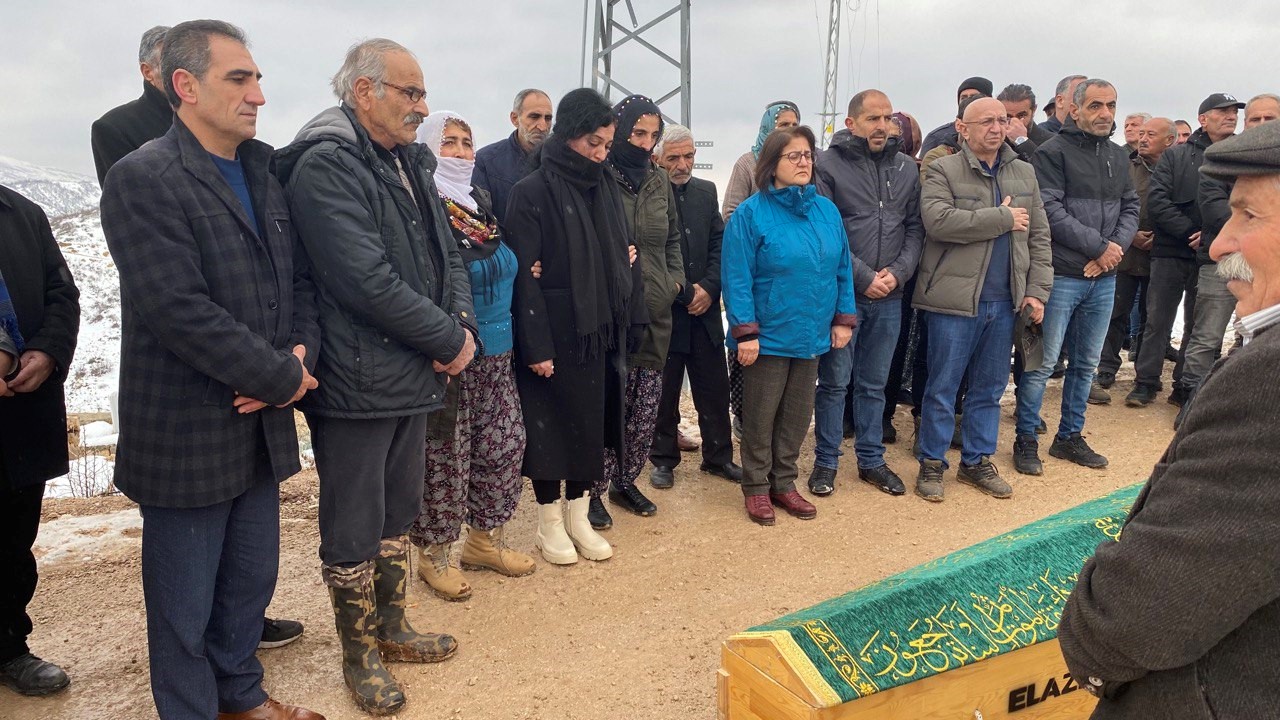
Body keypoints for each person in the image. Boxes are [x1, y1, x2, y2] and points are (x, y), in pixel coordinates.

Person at [98, 20, 324, 720]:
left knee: (249, 581)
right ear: (186, 86)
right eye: (239, 79)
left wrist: (298, 355)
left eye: (257, 79)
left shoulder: (264, 172)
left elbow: (301, 284)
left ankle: (240, 698)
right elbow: (178, 309)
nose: (258, 95)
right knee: (184, 600)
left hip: (259, 423)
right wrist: (280, 379)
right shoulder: (143, 178)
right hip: (189, 428)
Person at [274, 38, 475, 716]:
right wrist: (447, 339)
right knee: (353, 523)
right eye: (410, 92)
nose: (422, 106)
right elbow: (363, 279)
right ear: (365, 92)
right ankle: (358, 654)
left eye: (422, 93)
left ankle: (392, 627)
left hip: (413, 368)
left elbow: (448, 255)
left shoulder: (408, 160)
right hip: (358, 378)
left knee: (397, 510)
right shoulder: (326, 164)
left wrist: (461, 326)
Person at [1059, 119, 1280, 718]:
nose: (1221, 244)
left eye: (1248, 215)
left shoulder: (1269, 379)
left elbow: (1137, 617)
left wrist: (1090, 639)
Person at [505, 88, 647, 565]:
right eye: (592, 143)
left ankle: (579, 515)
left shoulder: (604, 186)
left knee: (590, 424)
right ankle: (548, 522)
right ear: (568, 135)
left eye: (606, 144)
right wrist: (536, 347)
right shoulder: (531, 191)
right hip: (555, 332)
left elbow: (626, 252)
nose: (601, 154)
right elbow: (523, 277)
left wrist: (630, 304)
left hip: (599, 330)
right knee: (549, 429)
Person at [407, 111, 534, 602]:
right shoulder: (423, 205)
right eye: (449, 143)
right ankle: (435, 555)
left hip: (499, 353)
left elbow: (502, 262)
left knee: (502, 447)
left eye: (466, 142)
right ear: (426, 148)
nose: (460, 152)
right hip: (454, 357)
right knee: (447, 457)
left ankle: (484, 542)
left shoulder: (478, 204)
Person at [911, 97, 1053, 502]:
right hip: (953, 302)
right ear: (963, 128)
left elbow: (1039, 236)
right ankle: (932, 463)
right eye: (986, 121)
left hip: (1006, 302)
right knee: (943, 387)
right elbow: (938, 222)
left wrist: (1037, 291)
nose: (996, 127)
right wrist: (1001, 218)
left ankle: (976, 461)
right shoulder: (943, 169)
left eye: (1002, 120)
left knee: (990, 388)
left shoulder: (1024, 171)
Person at [722, 125, 857, 525]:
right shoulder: (751, 213)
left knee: (797, 415)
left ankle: (783, 483)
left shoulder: (826, 211)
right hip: (768, 335)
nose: (803, 162)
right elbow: (737, 277)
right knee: (760, 416)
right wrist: (746, 331)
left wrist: (843, 318)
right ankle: (756, 487)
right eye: (793, 156)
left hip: (812, 332)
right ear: (771, 164)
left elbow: (842, 268)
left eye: (808, 155)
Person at [1014, 79, 1139, 476]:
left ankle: (1069, 436)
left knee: (1085, 365)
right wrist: (1099, 248)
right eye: (1096, 105)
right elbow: (1049, 211)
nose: (1105, 113)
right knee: (1041, 363)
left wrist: (1111, 252)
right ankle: (1026, 438)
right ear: (1075, 109)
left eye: (1111, 105)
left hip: (1103, 278)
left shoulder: (1118, 155)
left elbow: (1131, 207)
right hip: (1061, 276)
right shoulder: (1052, 152)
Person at [809, 89, 922, 497]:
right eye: (873, 118)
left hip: (889, 296)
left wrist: (898, 273)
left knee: (875, 384)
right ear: (851, 123)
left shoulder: (906, 168)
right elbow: (827, 231)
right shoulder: (827, 165)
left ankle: (871, 460)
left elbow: (915, 227)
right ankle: (825, 461)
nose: (882, 126)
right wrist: (862, 277)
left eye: (887, 118)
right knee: (835, 382)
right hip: (845, 295)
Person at [586, 94, 686, 528]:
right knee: (608, 404)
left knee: (644, 406)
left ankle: (625, 481)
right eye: (637, 133)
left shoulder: (659, 180)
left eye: (653, 135)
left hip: (656, 311)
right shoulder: (598, 176)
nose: (645, 143)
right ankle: (591, 491)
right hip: (612, 314)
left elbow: (671, 240)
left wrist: (674, 282)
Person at [0, 185, 79, 698]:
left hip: (19, 413)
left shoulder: (22, 214)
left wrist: (48, 351)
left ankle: (8, 647)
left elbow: (61, 294)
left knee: (11, 538)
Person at [1126, 93, 1241, 408]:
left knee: (1198, 325)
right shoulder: (1176, 156)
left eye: (1233, 112)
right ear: (1203, 118)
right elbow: (1158, 201)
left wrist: (1209, 236)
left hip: (1214, 254)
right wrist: (1191, 232)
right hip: (1171, 252)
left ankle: (1184, 385)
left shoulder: (1240, 155)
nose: (1231, 116)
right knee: (1157, 320)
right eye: (1223, 111)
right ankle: (1145, 382)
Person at [1176, 93, 1280, 427]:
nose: (1261, 125)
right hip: (1219, 269)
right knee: (1207, 335)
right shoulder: (1223, 162)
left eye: (1270, 119)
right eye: (1255, 119)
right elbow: (1211, 207)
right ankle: (1192, 403)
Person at [648, 124, 741, 489]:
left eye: (688, 156)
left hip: (705, 313)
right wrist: (685, 293)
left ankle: (718, 457)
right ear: (657, 159)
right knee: (665, 391)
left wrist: (710, 288)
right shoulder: (649, 195)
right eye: (674, 158)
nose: (682, 164)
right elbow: (652, 255)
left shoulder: (705, 191)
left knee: (714, 389)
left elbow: (720, 245)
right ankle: (663, 459)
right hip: (668, 313)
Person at [722, 101, 801, 439]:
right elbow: (730, 213)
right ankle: (744, 420)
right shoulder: (748, 163)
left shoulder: (801, 166)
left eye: (794, 124)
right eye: (783, 124)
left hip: (789, 281)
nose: (789, 130)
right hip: (754, 273)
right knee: (747, 352)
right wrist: (764, 233)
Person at [1093, 117, 1176, 401]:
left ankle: (1146, 376)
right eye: (1141, 133)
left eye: (1150, 134)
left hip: (1162, 254)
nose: (1142, 139)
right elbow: (1111, 205)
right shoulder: (1125, 166)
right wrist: (1131, 236)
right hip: (1125, 253)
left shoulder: (1176, 168)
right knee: (1115, 312)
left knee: (1153, 318)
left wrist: (1160, 236)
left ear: (1169, 140)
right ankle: (1106, 367)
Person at [90, 26, 172, 184]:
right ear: (147, 72)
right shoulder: (114, 128)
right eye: (171, 64)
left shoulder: (212, 116)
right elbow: (126, 194)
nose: (182, 72)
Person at [474, 88, 552, 225]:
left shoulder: (559, 164)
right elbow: (480, 220)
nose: (542, 126)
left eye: (548, 118)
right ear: (515, 119)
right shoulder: (485, 161)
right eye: (534, 117)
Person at [919, 77, 993, 158]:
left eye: (974, 96)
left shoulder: (998, 132)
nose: (969, 101)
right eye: (963, 98)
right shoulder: (936, 138)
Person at [997, 83, 1057, 160]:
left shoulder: (1052, 141)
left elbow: (1045, 166)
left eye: (1021, 115)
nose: (1015, 122)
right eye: (1008, 117)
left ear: (1034, 110)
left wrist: (1022, 142)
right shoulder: (994, 139)